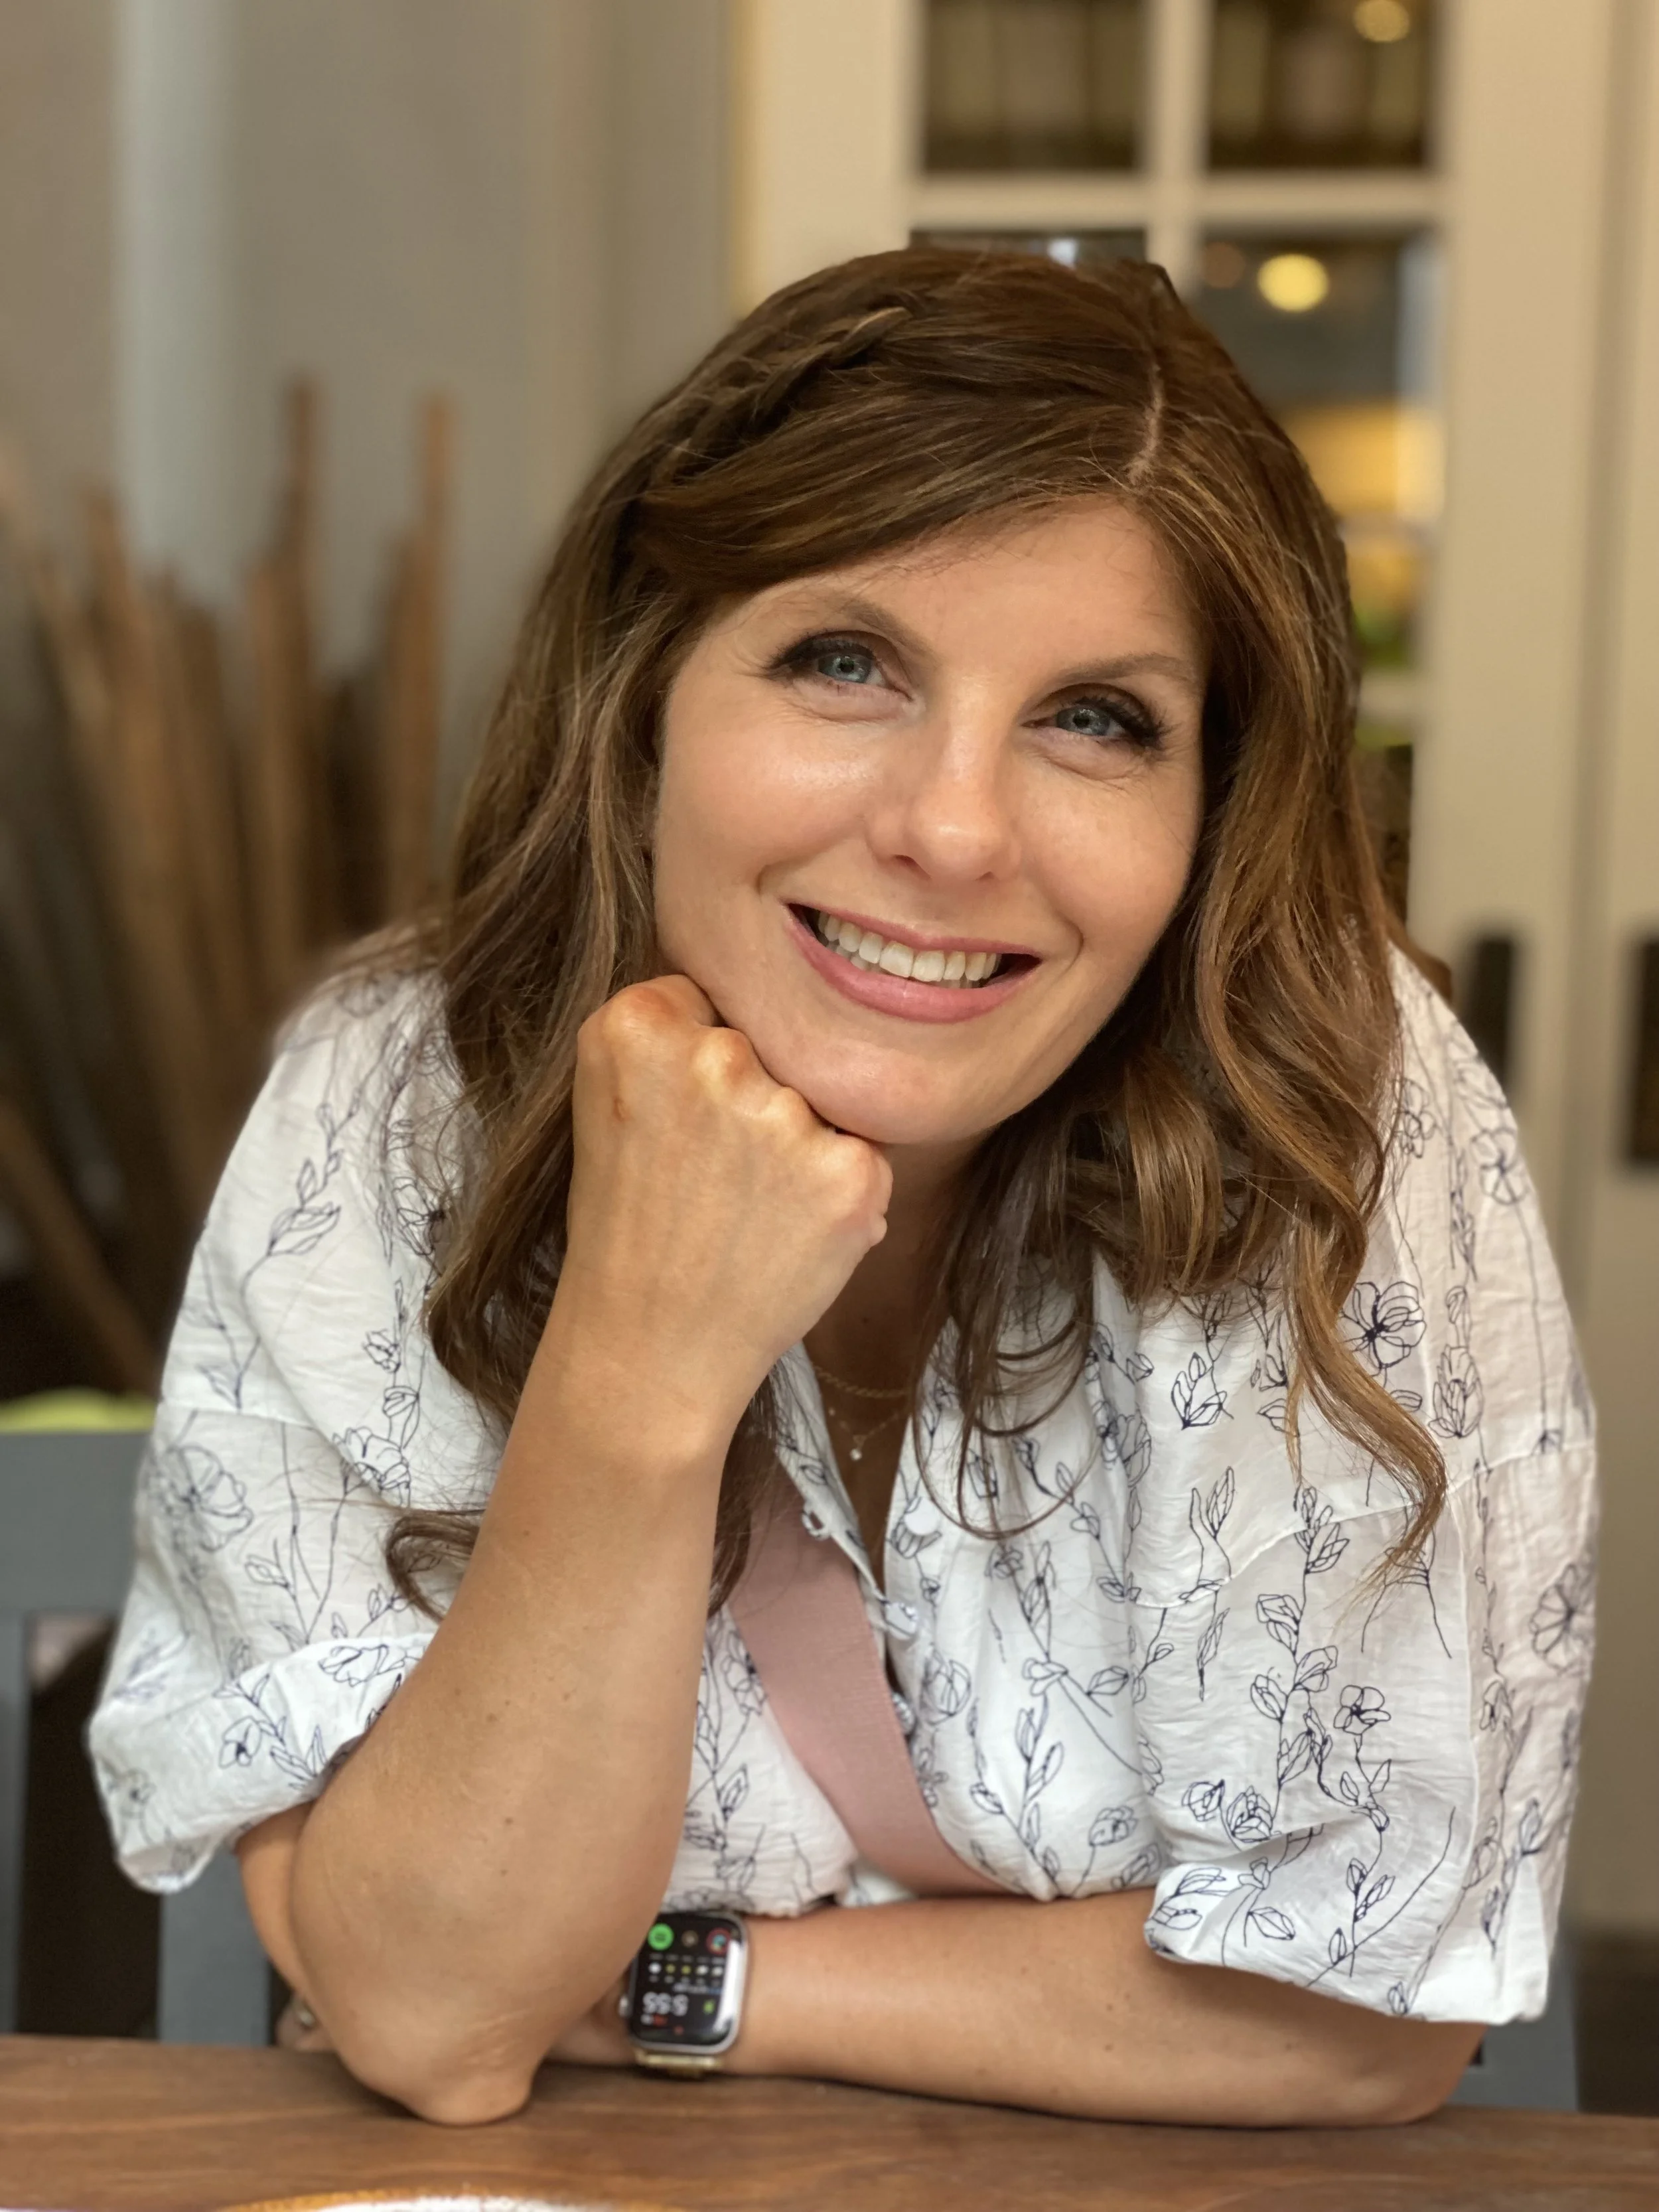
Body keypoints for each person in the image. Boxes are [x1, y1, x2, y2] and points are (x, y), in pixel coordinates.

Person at [88, 249, 1595, 2129]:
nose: (950, 829)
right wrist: (640, 1359)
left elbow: (1357, 2010)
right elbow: (435, 2007)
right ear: (641, 695)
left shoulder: (1330, 1105)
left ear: (1211, 806)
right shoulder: (395, 1100)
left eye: (1095, 718)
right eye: (844, 661)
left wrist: (692, 1982)